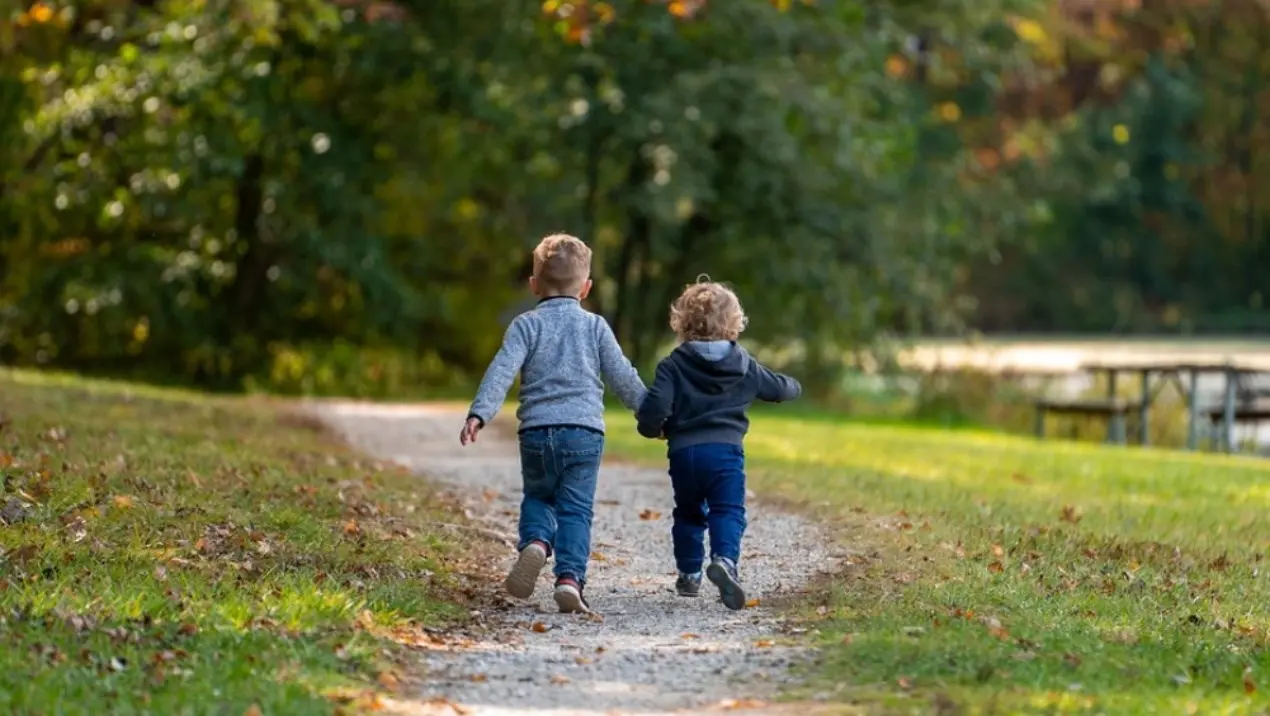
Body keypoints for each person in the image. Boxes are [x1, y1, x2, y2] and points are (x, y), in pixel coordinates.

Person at [460, 234, 646, 614]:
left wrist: (479, 413)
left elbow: (501, 372)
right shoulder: (595, 326)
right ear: (587, 287)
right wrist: (651, 413)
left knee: (540, 496)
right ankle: (569, 579)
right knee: (575, 509)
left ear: (533, 285)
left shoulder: (525, 326)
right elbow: (622, 376)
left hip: (536, 432)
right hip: (583, 433)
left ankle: (537, 543)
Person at [634, 279, 801, 610]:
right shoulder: (743, 365)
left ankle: (689, 574)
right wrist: (795, 386)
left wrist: (653, 429)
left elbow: (654, 410)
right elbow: (778, 389)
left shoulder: (673, 365)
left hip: (684, 455)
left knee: (688, 513)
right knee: (728, 510)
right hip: (725, 454)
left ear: (682, 323)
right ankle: (724, 561)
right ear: (734, 323)